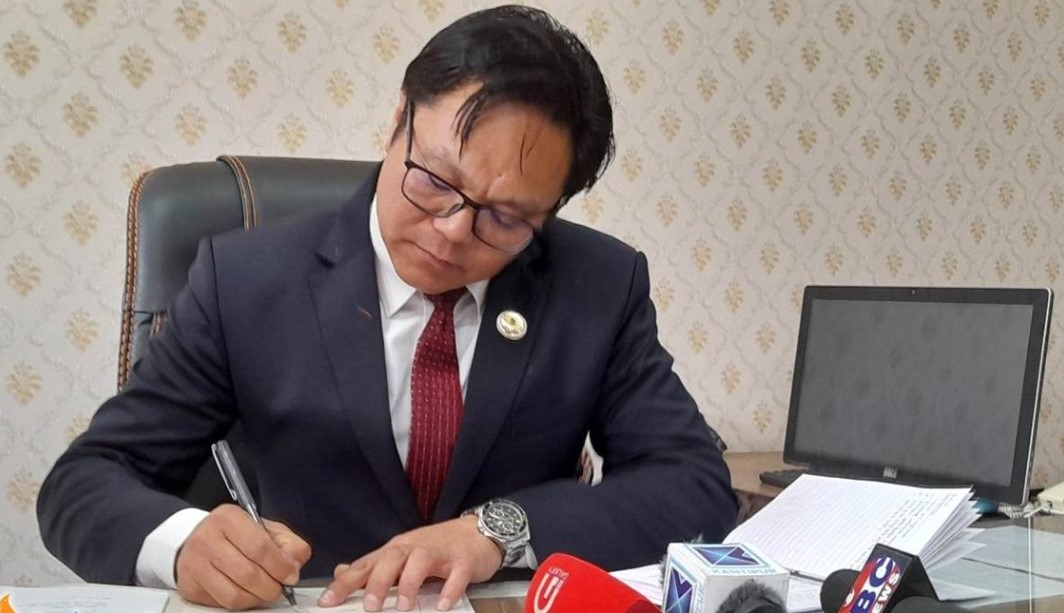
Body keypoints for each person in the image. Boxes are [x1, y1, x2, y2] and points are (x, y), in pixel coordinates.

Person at [37, 5, 737, 611]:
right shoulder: (245, 280)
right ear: (400, 117)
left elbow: (694, 482)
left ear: (550, 210)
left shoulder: (599, 284)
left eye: (505, 218)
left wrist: (497, 530)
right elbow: (84, 482)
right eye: (435, 180)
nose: (453, 231)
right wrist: (183, 542)